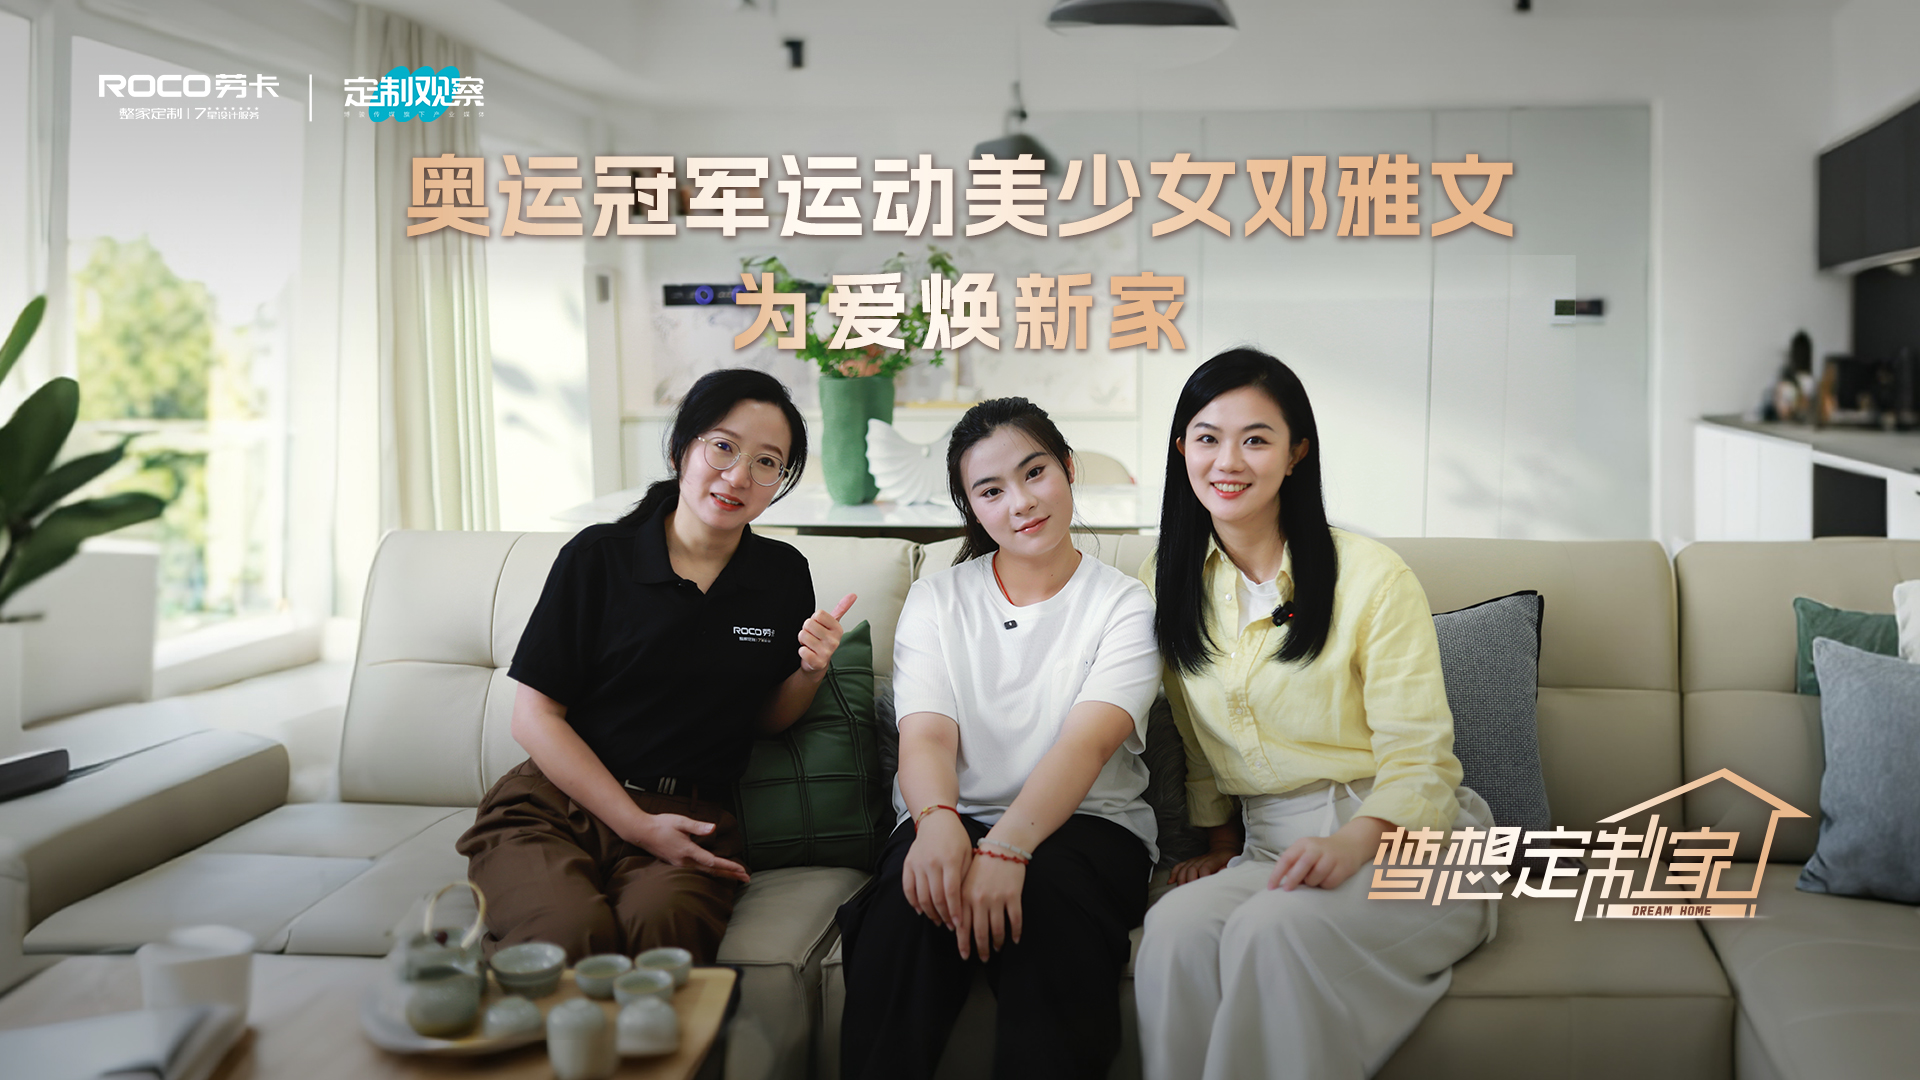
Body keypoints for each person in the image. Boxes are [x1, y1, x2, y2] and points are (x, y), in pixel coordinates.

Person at [1132, 349, 1496, 1080]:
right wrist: (1220, 839)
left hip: (1411, 850)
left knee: (1274, 928)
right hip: (1273, 849)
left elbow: (1420, 757)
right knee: (1174, 927)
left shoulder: (1371, 575)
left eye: (1255, 439)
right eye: (1207, 438)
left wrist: (1353, 845)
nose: (1227, 461)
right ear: (1181, 449)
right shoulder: (1165, 581)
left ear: (1296, 453)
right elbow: (1197, 738)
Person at [457, 368, 856, 963]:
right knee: (566, 936)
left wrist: (811, 672)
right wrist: (634, 824)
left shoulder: (781, 575)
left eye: (767, 462)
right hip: (555, 806)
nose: (738, 476)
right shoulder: (598, 557)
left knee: (661, 940)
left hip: (690, 816)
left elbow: (765, 719)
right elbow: (534, 718)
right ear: (680, 449)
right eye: (723, 447)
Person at [837, 398, 1162, 1080]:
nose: (1021, 502)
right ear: (972, 508)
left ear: (1067, 467)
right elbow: (925, 737)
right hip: (948, 815)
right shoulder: (937, 599)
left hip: (1089, 827)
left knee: (1045, 906)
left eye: (1035, 472)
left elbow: (1085, 746)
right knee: (907, 909)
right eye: (991, 491)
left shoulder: (1125, 604)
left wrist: (1008, 848)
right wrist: (936, 821)